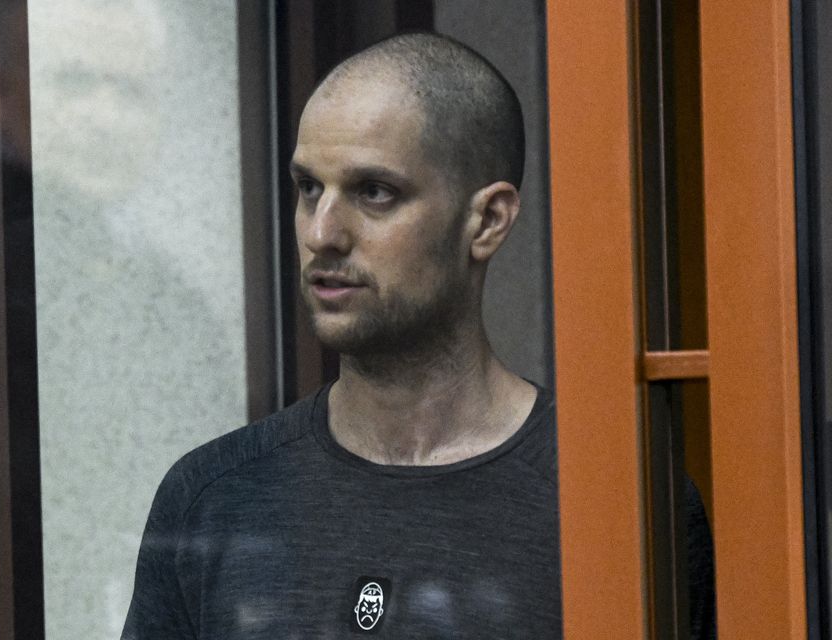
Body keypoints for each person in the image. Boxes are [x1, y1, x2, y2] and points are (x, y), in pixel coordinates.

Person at [122, 32, 715, 639]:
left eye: (374, 193)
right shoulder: (214, 497)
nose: (322, 233)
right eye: (309, 189)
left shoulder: (617, 504)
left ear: (486, 221)